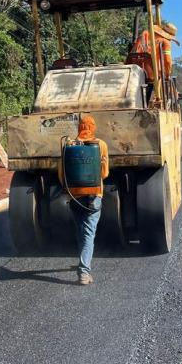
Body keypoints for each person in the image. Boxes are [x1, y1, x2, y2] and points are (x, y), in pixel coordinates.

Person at [57, 115, 108, 285]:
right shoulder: (100, 145)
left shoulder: (68, 145)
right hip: (94, 196)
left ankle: (83, 265)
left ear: (79, 127)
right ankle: (84, 272)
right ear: (93, 127)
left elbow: (61, 173)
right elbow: (105, 173)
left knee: (81, 230)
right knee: (89, 234)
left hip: (74, 196)